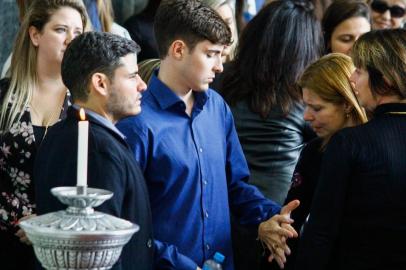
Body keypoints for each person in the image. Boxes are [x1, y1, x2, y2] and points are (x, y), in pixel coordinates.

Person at [116, 1, 299, 269]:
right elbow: (127, 225)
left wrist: (272, 217)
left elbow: (235, 186)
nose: (220, 67)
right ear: (178, 49)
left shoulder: (217, 107)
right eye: (211, 54)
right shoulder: (136, 123)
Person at [33, 31, 153, 270]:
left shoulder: (62, 133)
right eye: (132, 76)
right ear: (100, 83)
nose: (143, 85)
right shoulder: (97, 150)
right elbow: (98, 253)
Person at [295, 29, 406, 270]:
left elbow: (320, 235)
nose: (352, 79)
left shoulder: (349, 143)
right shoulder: (332, 145)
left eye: (360, 70)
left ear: (385, 81)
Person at [0, 1, 86, 269]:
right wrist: (18, 217)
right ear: (35, 35)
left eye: (78, 33)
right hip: (7, 237)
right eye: (61, 30)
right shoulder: (4, 96)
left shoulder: (86, 101)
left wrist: (48, 220)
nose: (71, 40)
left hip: (66, 243)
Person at [220, 0, 322, 205]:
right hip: (276, 208)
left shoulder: (219, 78)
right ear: (307, 47)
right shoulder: (305, 97)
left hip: (222, 202)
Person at [282, 53, 367, 270]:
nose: (306, 117)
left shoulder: (376, 149)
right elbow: (293, 216)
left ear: (347, 104)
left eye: (317, 108)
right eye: (306, 106)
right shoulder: (314, 151)